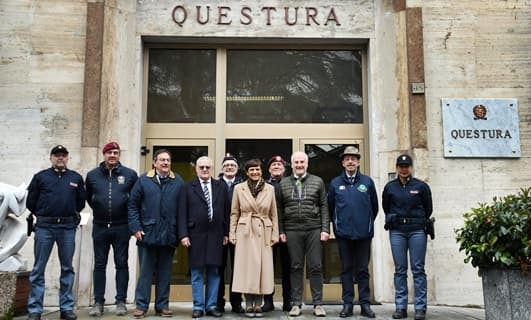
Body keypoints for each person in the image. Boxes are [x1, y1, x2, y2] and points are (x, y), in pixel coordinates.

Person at [26, 145, 86, 320]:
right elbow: (31, 202)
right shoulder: (40, 177)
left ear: (68, 158)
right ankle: (35, 310)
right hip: (45, 227)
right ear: (51, 157)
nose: (60, 158)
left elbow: (80, 203)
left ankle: (66, 308)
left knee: (67, 268)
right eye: (57, 155)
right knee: (39, 269)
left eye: (63, 155)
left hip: (67, 228)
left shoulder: (76, 178)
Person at [128, 149, 184, 318]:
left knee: (165, 273)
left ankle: (162, 306)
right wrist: (136, 228)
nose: (166, 163)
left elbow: (182, 209)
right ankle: (141, 306)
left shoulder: (178, 181)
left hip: (169, 235)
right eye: (162, 160)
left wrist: (180, 233)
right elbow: (132, 206)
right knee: (145, 273)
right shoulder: (143, 180)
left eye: (168, 160)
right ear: (154, 162)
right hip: (147, 234)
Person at [86, 142, 138, 316]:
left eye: (115, 152)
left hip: (121, 227)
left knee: (121, 264)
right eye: (109, 152)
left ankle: (121, 301)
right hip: (100, 226)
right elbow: (89, 198)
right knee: (99, 265)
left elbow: (135, 201)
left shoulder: (130, 175)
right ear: (104, 155)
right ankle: (98, 302)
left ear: (119, 155)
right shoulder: (92, 175)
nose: (112, 155)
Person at [327, 146, 378, 318]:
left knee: (363, 270)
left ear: (358, 161)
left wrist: (366, 224)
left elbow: (375, 208)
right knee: (346, 269)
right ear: (342, 162)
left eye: (354, 158)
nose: (350, 161)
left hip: (364, 234)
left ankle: (365, 304)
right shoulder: (335, 183)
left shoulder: (367, 182)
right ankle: (347, 304)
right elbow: (331, 207)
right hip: (344, 235)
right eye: (347, 158)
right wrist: (339, 227)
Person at [277, 151, 330, 317]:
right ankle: (296, 304)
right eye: (296, 162)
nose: (299, 165)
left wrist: (325, 229)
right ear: (291, 164)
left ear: (307, 164)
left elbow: (323, 206)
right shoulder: (283, 183)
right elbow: (278, 210)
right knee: (295, 267)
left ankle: (318, 304)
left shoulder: (317, 181)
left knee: (315, 266)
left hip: (313, 228)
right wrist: (281, 231)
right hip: (292, 229)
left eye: (302, 162)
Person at [178, 156, 230, 318]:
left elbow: (227, 212)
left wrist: (227, 233)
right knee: (197, 272)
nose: (205, 169)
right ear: (196, 169)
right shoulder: (187, 187)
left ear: (212, 168)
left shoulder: (220, 186)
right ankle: (198, 307)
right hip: (195, 236)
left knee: (214, 272)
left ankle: (212, 306)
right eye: (202, 167)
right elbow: (181, 213)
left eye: (208, 167)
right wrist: (184, 234)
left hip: (216, 235)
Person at [382, 154, 433, 320]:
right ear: (397, 168)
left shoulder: (421, 186)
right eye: (401, 166)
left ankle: (420, 308)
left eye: (407, 166)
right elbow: (386, 207)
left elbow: (428, 208)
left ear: (411, 167)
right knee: (400, 269)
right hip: (397, 231)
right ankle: (401, 307)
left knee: (418, 269)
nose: (404, 169)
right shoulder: (390, 187)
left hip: (417, 230)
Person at [229, 159, 279, 318]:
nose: (255, 172)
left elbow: (274, 214)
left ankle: (259, 303)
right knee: (246, 268)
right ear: (247, 172)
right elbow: (234, 213)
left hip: (264, 230)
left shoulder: (270, 189)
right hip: (245, 231)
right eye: (251, 170)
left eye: (257, 169)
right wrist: (232, 233)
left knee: (262, 268)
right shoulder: (239, 188)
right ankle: (248, 303)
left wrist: (275, 234)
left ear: (261, 171)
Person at [216, 154, 245, 314]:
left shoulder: (243, 185)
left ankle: (236, 302)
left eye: (232, 165)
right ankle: (219, 302)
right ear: (222, 168)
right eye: (226, 165)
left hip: (240, 234)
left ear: (237, 168)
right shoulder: (215, 185)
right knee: (219, 268)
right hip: (219, 234)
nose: (229, 167)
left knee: (237, 269)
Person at [262, 155, 291, 312]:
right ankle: (268, 300)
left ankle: (288, 300)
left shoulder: (290, 184)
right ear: (269, 169)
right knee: (268, 267)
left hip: (288, 231)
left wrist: (284, 230)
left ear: (284, 168)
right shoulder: (264, 185)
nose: (276, 167)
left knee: (287, 267)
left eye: (279, 164)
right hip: (267, 232)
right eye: (273, 165)